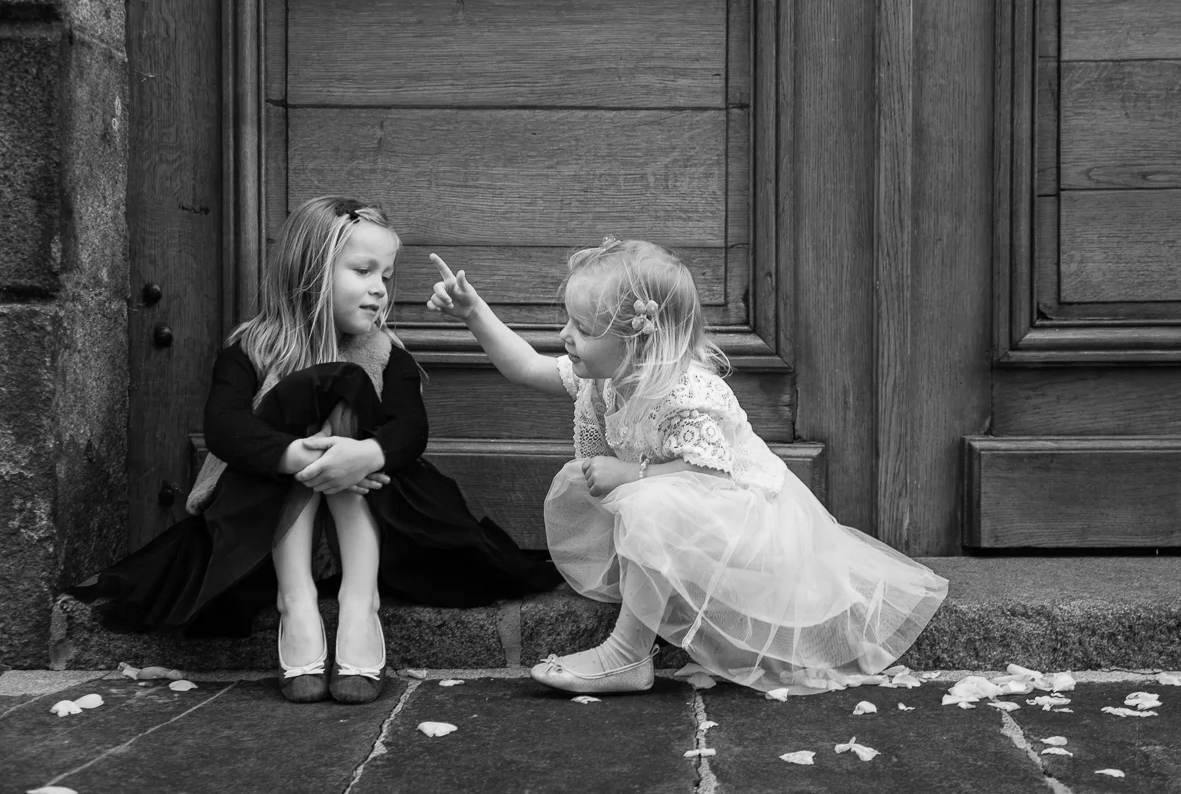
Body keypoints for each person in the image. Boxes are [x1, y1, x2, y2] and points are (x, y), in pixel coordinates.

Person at [70, 196, 560, 704]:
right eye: (363, 271)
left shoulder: (387, 352)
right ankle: (296, 600)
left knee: (346, 386)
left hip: (369, 511)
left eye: (386, 276)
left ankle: (360, 602)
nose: (380, 287)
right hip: (262, 523)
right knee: (314, 388)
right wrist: (304, 459)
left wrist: (364, 457)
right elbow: (224, 427)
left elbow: (410, 429)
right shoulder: (253, 346)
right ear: (311, 272)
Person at [426, 237, 948, 695]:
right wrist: (474, 313)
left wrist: (631, 475)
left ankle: (627, 655)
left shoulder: (686, 394)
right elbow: (524, 366)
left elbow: (712, 478)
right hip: (692, 512)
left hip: (747, 528)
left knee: (648, 502)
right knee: (627, 497)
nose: (564, 336)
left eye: (581, 327)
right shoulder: (605, 376)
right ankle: (647, 600)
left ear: (638, 340)